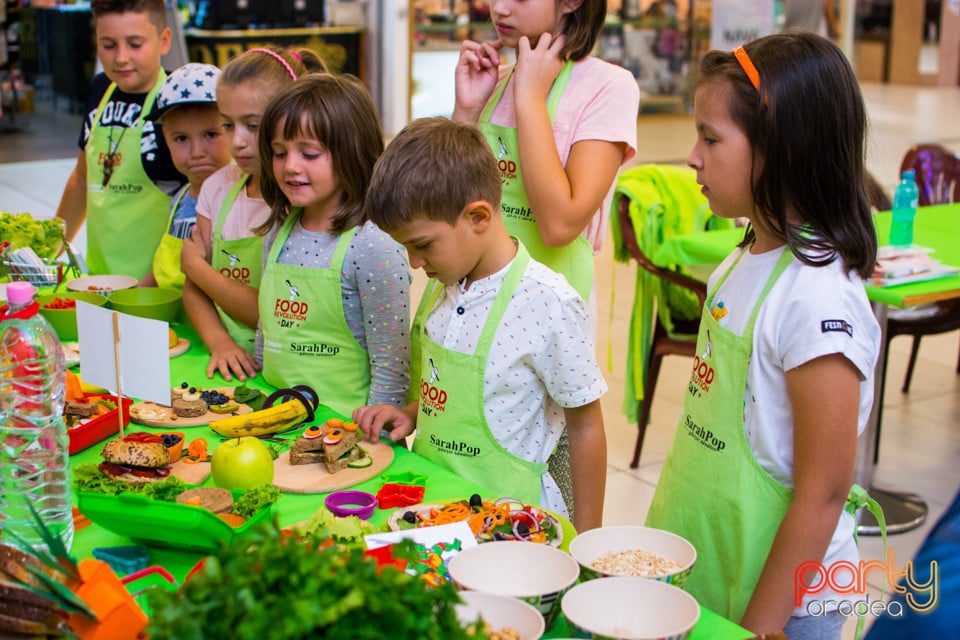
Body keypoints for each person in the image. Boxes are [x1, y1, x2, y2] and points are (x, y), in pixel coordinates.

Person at [644, 32, 881, 639]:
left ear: (782, 152)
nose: (691, 157)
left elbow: (824, 496)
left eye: (711, 138)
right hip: (717, 563)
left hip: (787, 607)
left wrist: (759, 628)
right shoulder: (742, 255)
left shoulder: (817, 299)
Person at [354, 117, 608, 533]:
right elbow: (476, 395)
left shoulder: (549, 302)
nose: (415, 263)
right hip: (438, 508)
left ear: (478, 217)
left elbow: (585, 428)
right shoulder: (448, 282)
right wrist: (413, 413)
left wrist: (588, 538)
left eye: (422, 245)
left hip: (511, 525)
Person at [452, 0, 639, 306]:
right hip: (467, 300)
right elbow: (442, 204)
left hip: (547, 315)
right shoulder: (493, 82)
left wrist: (529, 99)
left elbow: (559, 226)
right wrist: (467, 112)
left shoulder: (607, 87)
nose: (498, 9)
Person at [254, 73, 411, 417]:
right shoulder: (279, 230)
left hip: (346, 437)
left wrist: (377, 439)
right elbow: (266, 335)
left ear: (352, 152)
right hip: (275, 423)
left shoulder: (373, 246)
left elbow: (391, 364)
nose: (290, 166)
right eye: (279, 153)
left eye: (309, 153)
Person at [179, 46, 325, 382]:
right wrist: (220, 343)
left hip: (285, 370)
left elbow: (270, 313)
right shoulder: (216, 189)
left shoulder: (301, 202)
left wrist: (198, 267)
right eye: (227, 125)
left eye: (253, 126)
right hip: (225, 361)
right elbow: (193, 290)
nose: (238, 142)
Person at [54, 0, 186, 280]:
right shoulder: (99, 88)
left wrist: (153, 283)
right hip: (99, 281)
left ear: (164, 41)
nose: (121, 58)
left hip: (158, 290)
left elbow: (202, 204)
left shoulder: (179, 102)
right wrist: (49, 249)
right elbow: (81, 178)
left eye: (135, 44)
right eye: (108, 45)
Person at [141, 62, 232, 290]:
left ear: (233, 128)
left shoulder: (238, 199)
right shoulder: (180, 198)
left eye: (211, 134)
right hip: (171, 320)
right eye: (181, 139)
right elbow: (162, 265)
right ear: (165, 137)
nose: (196, 152)